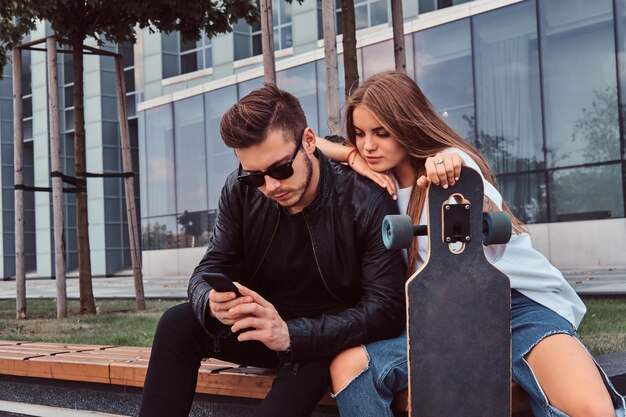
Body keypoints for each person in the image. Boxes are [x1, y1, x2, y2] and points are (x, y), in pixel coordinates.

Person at [316, 71, 625, 417]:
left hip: (516, 307)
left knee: (594, 410)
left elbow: (473, 195)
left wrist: (451, 169)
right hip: (440, 320)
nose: (368, 145)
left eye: (381, 133)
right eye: (359, 134)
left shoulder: (452, 165)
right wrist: (349, 156)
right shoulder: (373, 183)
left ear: (409, 125)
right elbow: (301, 140)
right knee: (350, 365)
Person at [138, 83, 407, 417]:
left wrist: (292, 334)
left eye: (281, 169)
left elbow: (386, 309)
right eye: (256, 176)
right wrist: (211, 300)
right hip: (262, 329)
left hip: (323, 337)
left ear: (309, 142)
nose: (271, 186)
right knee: (176, 323)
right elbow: (209, 268)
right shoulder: (240, 190)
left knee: (314, 360)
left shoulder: (365, 200)